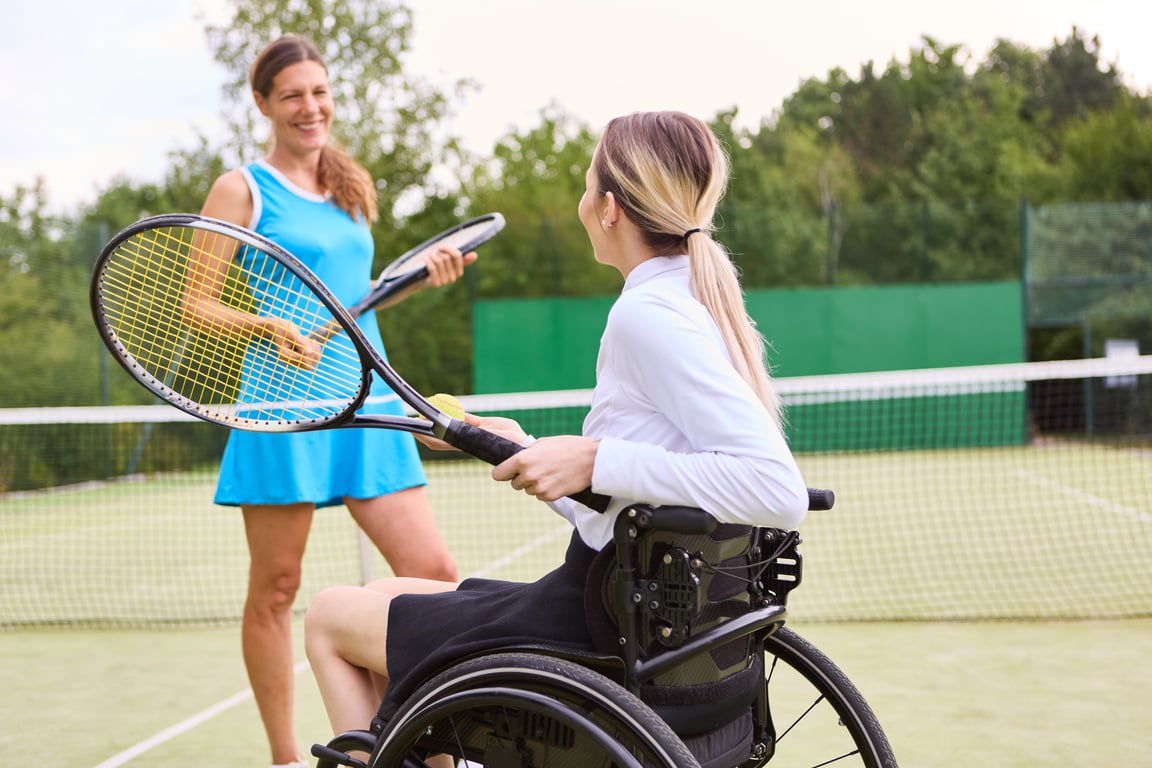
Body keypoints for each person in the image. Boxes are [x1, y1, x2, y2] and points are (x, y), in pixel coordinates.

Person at [303, 110, 810, 747]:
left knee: (327, 616)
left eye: (585, 183)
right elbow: (635, 511)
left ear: (609, 209)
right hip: (644, 614)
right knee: (383, 591)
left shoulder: (647, 315)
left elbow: (775, 489)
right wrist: (529, 448)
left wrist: (597, 460)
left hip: (597, 627)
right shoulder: (694, 296)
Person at [194, 35, 468, 768]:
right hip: (282, 406)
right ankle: (285, 757)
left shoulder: (351, 186)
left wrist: (423, 276)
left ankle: (407, 735)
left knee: (435, 574)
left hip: (367, 397)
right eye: (292, 95)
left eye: (319, 92)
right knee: (276, 590)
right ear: (263, 104)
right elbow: (195, 304)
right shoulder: (241, 189)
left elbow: (358, 302)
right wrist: (266, 322)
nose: (309, 107)